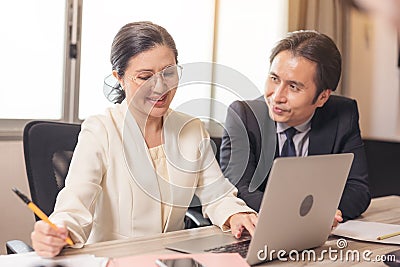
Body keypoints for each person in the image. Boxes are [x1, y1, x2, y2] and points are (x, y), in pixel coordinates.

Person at [31, 21, 257, 257]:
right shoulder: (101, 130)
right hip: (117, 260)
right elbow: (74, 206)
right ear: (120, 77)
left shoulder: (191, 129)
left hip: (173, 258)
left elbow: (217, 194)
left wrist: (235, 214)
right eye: (145, 76)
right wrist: (56, 231)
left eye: (169, 73)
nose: (160, 87)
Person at [220, 30, 371, 227]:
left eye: (293, 87)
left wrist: (329, 212)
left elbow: (358, 188)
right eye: (274, 79)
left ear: (323, 97)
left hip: (319, 235)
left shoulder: (342, 114)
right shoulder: (244, 115)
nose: (277, 96)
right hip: (262, 230)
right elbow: (240, 189)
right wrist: (306, 214)